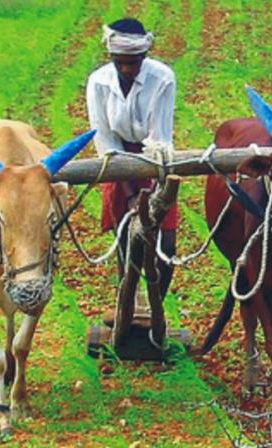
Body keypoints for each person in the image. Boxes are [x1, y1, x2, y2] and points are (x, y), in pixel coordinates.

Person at [86, 17, 178, 299]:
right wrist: (128, 194)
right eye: (121, 62)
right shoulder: (99, 82)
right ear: (112, 57)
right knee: (127, 235)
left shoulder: (162, 78)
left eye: (134, 62)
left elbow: (159, 137)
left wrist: (153, 195)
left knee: (165, 241)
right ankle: (128, 297)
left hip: (155, 159)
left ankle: (156, 305)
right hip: (117, 160)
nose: (127, 69)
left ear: (144, 55)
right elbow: (104, 138)